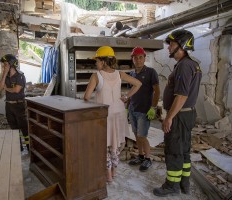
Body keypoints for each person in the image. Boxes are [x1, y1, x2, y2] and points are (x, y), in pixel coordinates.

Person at [153, 30, 202, 197]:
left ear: (182, 46)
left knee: (174, 150)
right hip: (187, 114)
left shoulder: (184, 66)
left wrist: (169, 117)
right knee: (184, 150)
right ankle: (184, 183)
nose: (168, 48)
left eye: (172, 45)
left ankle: (171, 186)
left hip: (179, 116)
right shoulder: (192, 64)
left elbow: (181, 95)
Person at [84, 46, 142, 183]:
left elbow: (86, 97)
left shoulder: (96, 76)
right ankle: (114, 172)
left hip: (104, 115)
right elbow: (138, 83)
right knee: (115, 144)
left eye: (97, 61)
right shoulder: (120, 74)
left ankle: (108, 175)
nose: (96, 64)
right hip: (119, 113)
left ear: (103, 61)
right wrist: (126, 96)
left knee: (104, 145)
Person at [128, 47, 160, 172]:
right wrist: (127, 108)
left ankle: (148, 159)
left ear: (144, 58)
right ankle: (140, 156)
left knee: (142, 136)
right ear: (132, 59)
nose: (138, 60)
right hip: (133, 109)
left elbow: (157, 90)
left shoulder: (151, 72)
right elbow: (131, 92)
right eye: (135, 57)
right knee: (136, 134)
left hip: (144, 110)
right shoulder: (132, 74)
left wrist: (153, 107)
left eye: (140, 57)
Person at [0, 54, 29, 151]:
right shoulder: (5, 76)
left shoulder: (20, 76)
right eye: (3, 65)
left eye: (6, 64)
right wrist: (4, 74)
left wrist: (6, 88)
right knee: (13, 127)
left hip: (19, 105)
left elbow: (16, 90)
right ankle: (18, 147)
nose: (4, 66)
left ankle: (29, 147)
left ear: (11, 64)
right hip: (9, 105)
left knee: (24, 127)